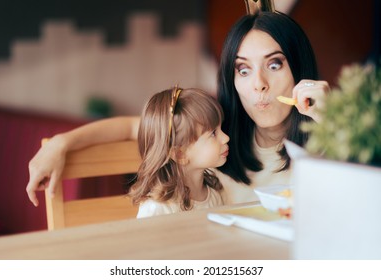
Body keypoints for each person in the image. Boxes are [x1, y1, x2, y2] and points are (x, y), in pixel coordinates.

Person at [26, 11, 330, 207]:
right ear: (232, 78)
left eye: (274, 64)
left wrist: (338, 123)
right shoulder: (215, 128)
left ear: (299, 67)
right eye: (244, 70)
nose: (259, 84)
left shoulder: (332, 137)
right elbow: (135, 127)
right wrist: (61, 143)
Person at [130, 87, 229, 217]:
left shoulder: (215, 195)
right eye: (213, 133)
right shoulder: (158, 209)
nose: (226, 138)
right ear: (180, 154)